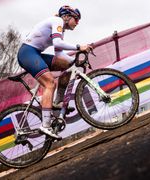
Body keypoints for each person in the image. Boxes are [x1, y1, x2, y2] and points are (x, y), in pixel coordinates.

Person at [17, 5, 93, 139]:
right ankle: (45, 126)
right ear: (66, 16)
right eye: (76, 19)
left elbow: (59, 53)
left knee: (69, 67)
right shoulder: (57, 21)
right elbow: (57, 43)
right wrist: (79, 47)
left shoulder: (61, 29)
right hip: (27, 53)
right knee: (50, 84)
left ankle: (57, 102)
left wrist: (74, 61)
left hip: (35, 53)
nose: (78, 22)